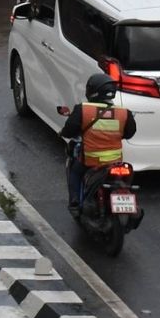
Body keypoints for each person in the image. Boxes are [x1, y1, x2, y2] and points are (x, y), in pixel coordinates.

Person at [60, 73, 138, 213]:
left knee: (75, 171)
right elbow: (129, 133)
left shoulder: (83, 109)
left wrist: (64, 133)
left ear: (92, 91)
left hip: (91, 161)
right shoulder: (124, 112)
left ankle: (75, 202)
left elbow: (70, 130)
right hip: (115, 162)